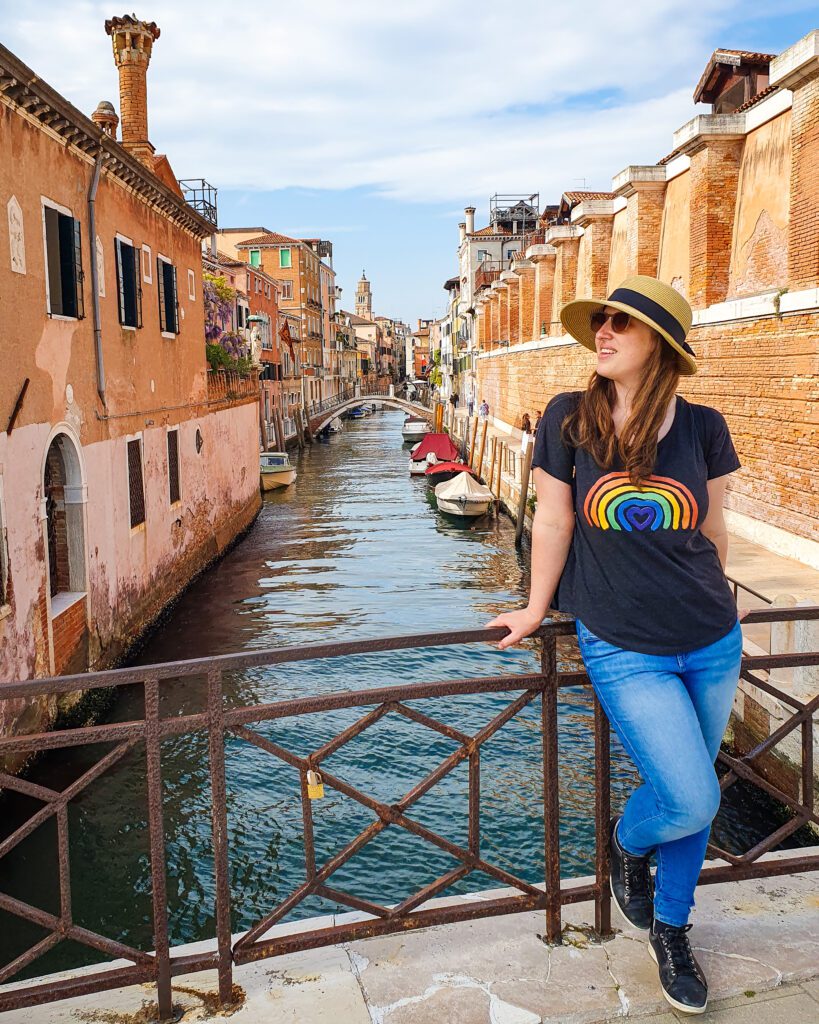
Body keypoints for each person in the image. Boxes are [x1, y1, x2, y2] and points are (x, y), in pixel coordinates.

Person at [487, 276, 743, 1016]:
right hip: (622, 642)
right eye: (597, 324)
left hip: (710, 638)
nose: (600, 335)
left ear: (657, 345)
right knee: (692, 793)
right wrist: (536, 609)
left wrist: (716, 602)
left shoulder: (703, 427)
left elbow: (713, 531)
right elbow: (553, 522)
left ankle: (671, 929)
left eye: (618, 326)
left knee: (694, 799)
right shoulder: (570, 419)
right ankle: (626, 845)